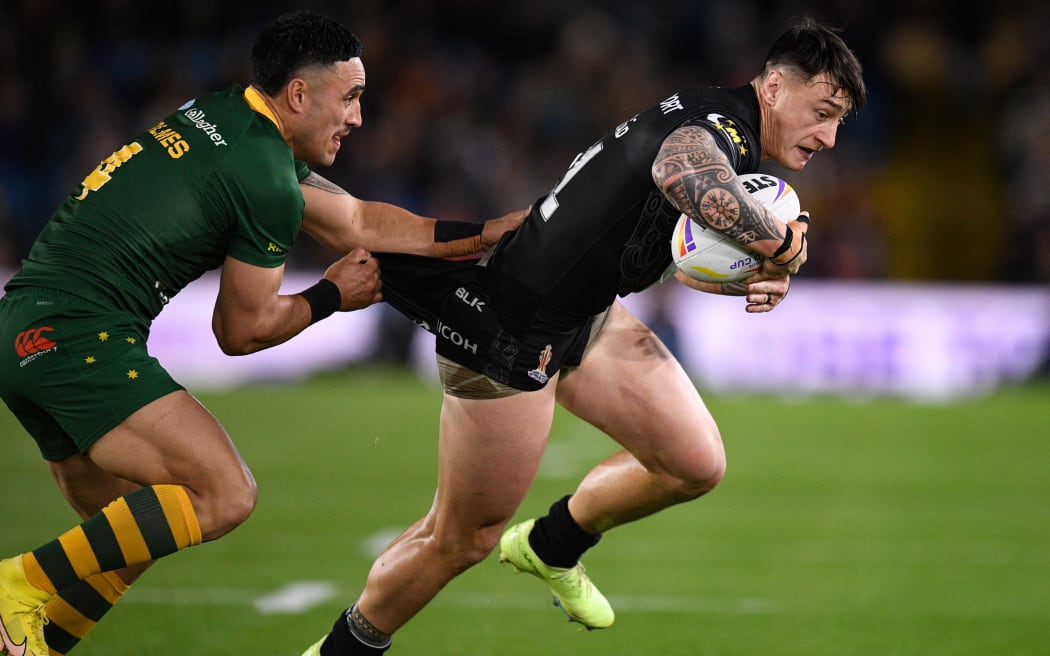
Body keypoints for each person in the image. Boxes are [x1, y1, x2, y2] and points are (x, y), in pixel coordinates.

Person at [303, 18, 866, 655]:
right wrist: (780, 244)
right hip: (508, 329)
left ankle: (550, 546)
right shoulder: (721, 129)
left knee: (694, 462)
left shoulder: (722, 122)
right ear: (771, 86)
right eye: (822, 112)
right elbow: (681, 172)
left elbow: (679, 256)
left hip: (584, 315)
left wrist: (755, 271)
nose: (829, 136)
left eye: (839, 121)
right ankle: (335, 652)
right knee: (458, 540)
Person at [0, 11, 522, 656]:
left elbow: (356, 218)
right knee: (222, 493)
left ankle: (34, 647)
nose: (358, 117)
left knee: (125, 538)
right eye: (351, 97)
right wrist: (334, 295)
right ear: (299, 95)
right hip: (76, 338)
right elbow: (240, 332)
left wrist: (485, 231)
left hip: (24, 329)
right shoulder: (264, 176)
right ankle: (12, 584)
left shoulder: (222, 116)